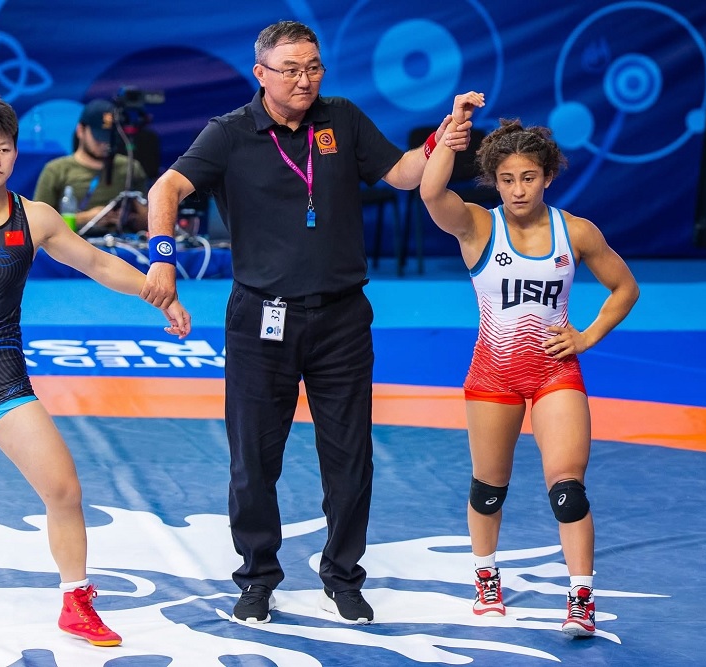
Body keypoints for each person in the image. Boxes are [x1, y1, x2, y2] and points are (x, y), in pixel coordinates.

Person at [140, 20, 472, 626]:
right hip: (261, 319)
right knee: (253, 459)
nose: (304, 79)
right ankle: (257, 576)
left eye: (313, 67)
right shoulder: (230, 133)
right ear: (260, 73)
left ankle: (342, 576)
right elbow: (166, 188)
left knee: (350, 458)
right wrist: (163, 260)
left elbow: (402, 174)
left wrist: (440, 141)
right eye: (291, 69)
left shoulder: (341, 118)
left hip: (342, 317)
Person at [0, 96, 191, 651]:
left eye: (4, 148)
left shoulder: (33, 217)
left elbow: (98, 263)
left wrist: (160, 295)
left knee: (63, 489)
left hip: (2, 377)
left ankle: (76, 605)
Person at [420, 101, 640, 637]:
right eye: (507, 180)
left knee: (568, 488)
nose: (518, 190)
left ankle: (581, 598)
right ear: (493, 181)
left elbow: (625, 288)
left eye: (529, 178)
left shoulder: (576, 233)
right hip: (492, 374)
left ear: (547, 177)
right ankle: (486, 578)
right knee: (488, 488)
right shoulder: (477, 226)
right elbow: (430, 192)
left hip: (553, 374)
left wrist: (587, 336)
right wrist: (452, 131)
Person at [33, 99, 149, 236]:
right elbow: (37, 222)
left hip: (122, 241)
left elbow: (148, 221)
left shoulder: (130, 168)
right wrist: (86, 218)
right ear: (80, 130)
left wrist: (128, 218)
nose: (105, 143)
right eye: (99, 138)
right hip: (73, 242)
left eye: (109, 137)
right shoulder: (56, 170)